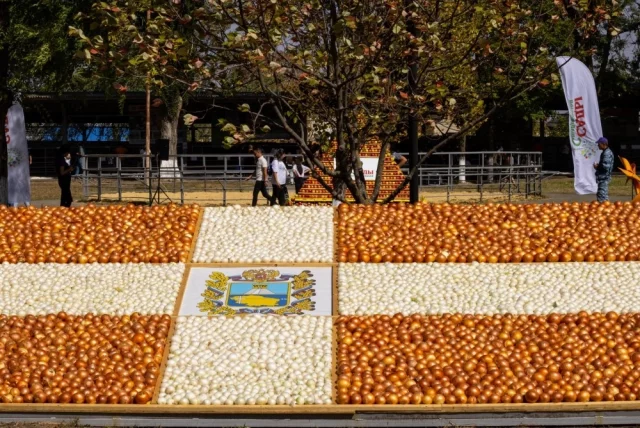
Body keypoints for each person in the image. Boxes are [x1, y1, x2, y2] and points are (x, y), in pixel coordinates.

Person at [594, 137, 614, 203]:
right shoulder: (605, 152)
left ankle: (605, 210)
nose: (598, 145)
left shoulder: (607, 153)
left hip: (604, 177)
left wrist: (597, 166)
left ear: (603, 144)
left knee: (602, 197)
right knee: (602, 195)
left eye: (599, 144)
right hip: (603, 177)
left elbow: (606, 166)